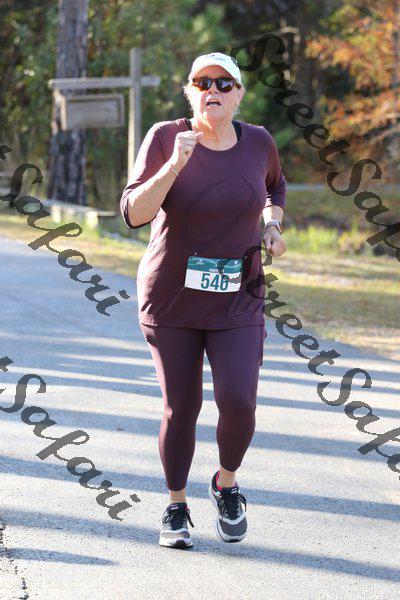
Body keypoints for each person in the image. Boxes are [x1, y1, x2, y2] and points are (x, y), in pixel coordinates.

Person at [119, 51, 287, 549]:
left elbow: (275, 187)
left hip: (239, 296)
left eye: (223, 83)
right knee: (182, 407)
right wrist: (175, 164)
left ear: (239, 94)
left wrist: (273, 225)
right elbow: (133, 213)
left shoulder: (259, 142)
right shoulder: (165, 137)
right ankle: (176, 506)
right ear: (189, 91)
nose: (212, 90)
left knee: (239, 401)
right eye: (202, 82)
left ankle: (226, 484)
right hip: (171, 297)